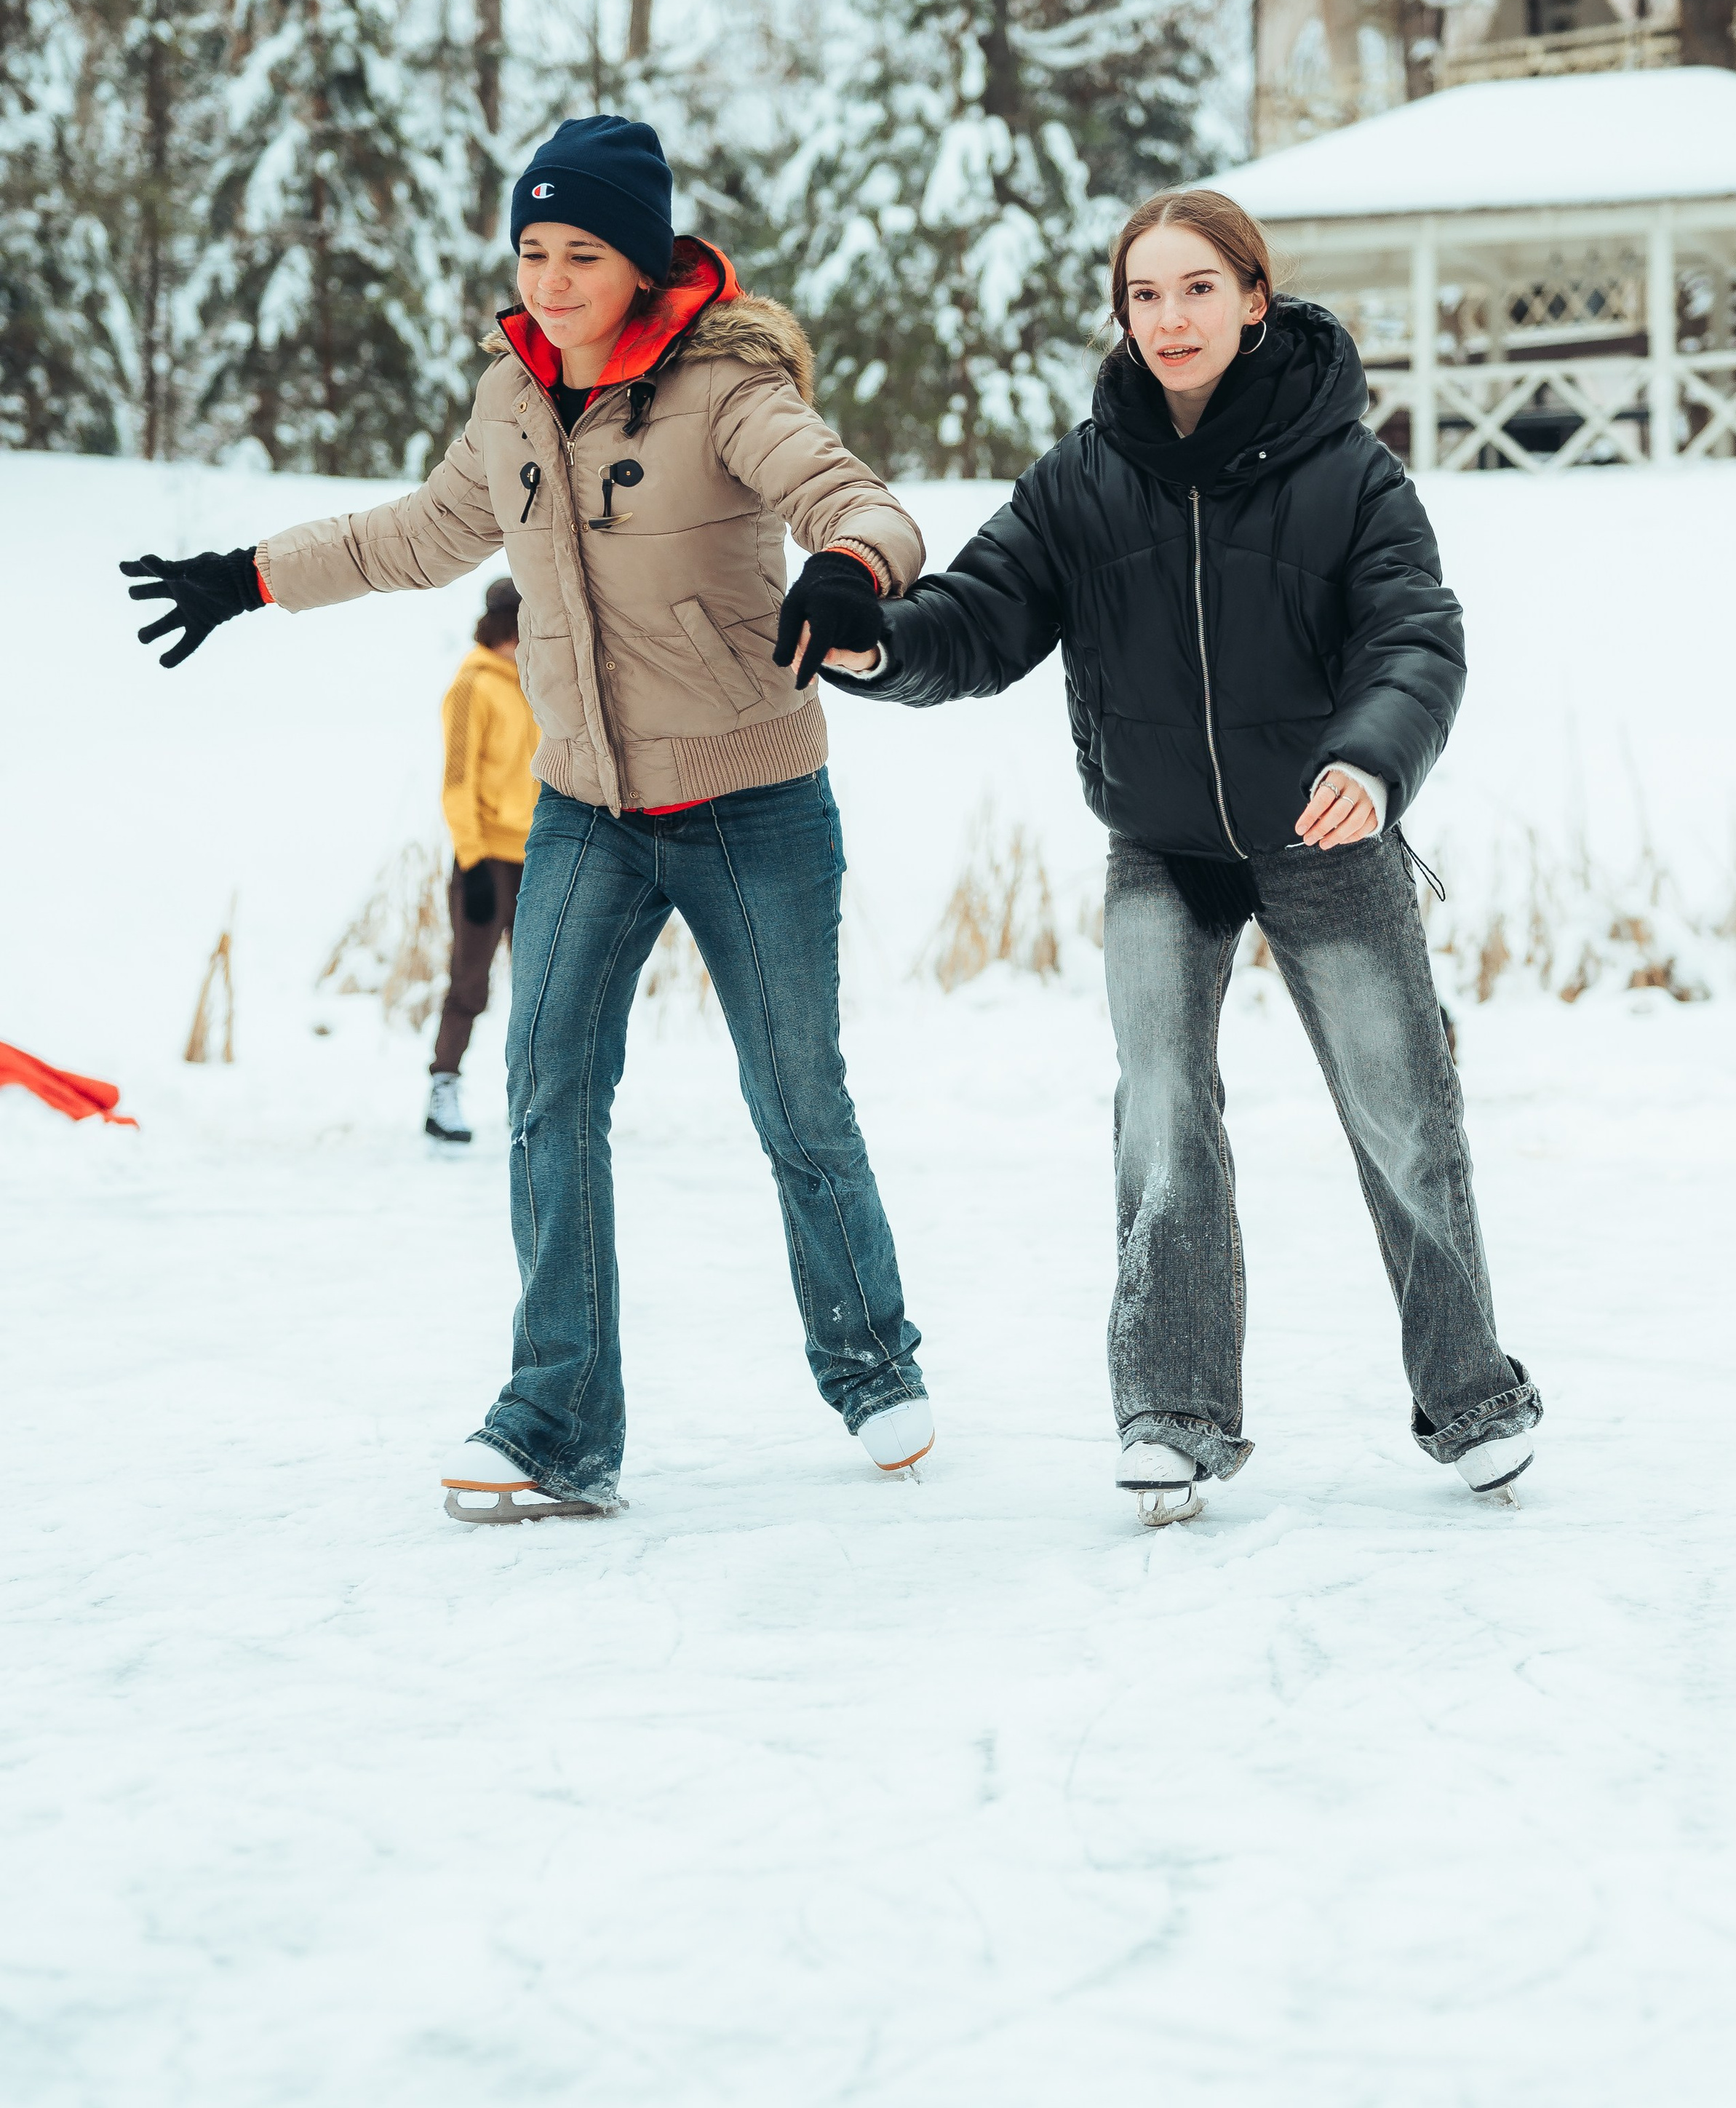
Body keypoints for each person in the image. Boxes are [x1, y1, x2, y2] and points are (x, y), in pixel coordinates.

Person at [121, 113, 934, 1525]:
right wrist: (248, 577)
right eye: (531, 249)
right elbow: (413, 535)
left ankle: (870, 1363)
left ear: (639, 260)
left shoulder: (724, 386)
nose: (549, 278)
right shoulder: (511, 400)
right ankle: (557, 1418)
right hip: (586, 809)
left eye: (581, 252)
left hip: (750, 799)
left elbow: (849, 495)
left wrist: (852, 568)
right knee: (547, 1092)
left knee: (796, 1099)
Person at [814, 188, 1542, 1526]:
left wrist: (1370, 761)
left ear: (1255, 300)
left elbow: (1414, 638)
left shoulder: (1349, 472)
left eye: (1198, 288)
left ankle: (1473, 1398)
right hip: (1161, 846)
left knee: (1405, 1115)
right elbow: (978, 617)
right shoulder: (1084, 479)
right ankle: (1174, 1416)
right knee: (1160, 1117)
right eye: (1145, 295)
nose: (1171, 318)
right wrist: (875, 647)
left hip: (1328, 838)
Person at [426, 576, 538, 1150]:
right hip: (486, 858)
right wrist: (470, 860)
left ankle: (538, 1100)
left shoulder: (537, 683)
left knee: (542, 988)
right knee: (470, 983)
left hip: (539, 856)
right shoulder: (473, 685)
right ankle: (443, 1090)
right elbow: (457, 780)